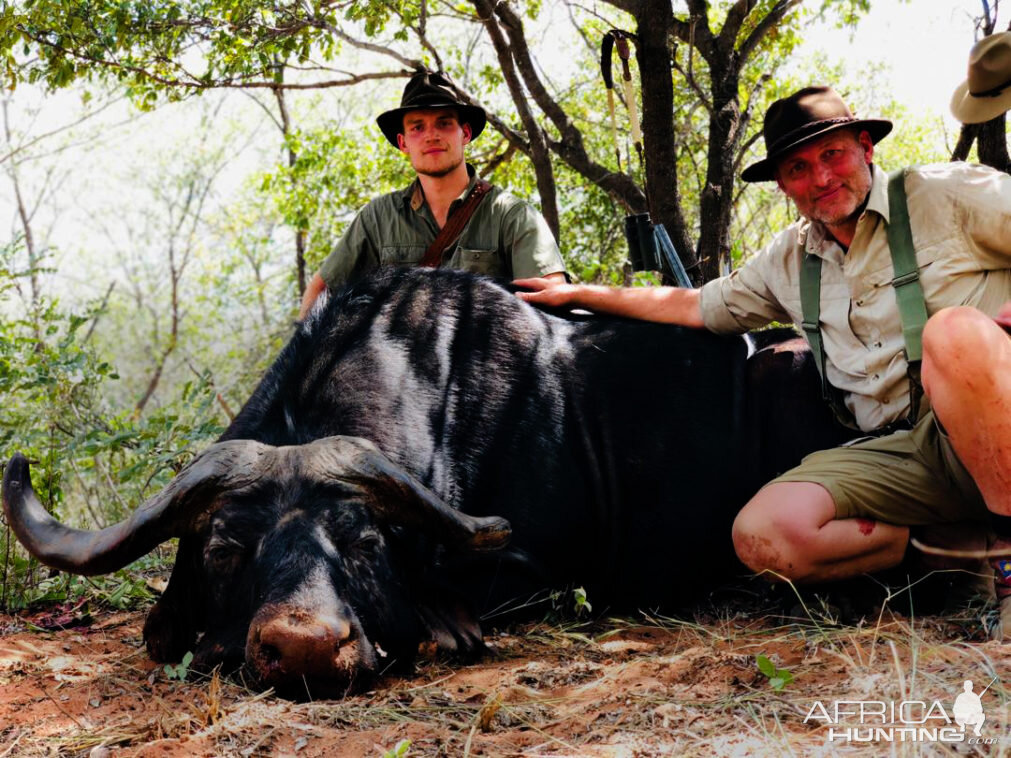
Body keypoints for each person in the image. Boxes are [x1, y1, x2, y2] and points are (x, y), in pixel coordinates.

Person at [514, 86, 1011, 621]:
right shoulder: (791, 258)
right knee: (764, 535)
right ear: (782, 184)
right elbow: (698, 305)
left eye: (832, 154)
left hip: (996, 422)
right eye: (798, 167)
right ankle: (961, 551)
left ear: (866, 147)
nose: (820, 178)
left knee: (954, 333)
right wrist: (581, 294)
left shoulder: (945, 194)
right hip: (908, 451)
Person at [300, 70, 567, 318]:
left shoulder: (512, 216)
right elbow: (323, 289)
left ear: (465, 133)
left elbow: (551, 303)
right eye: (417, 127)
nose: (432, 136)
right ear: (403, 142)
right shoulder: (378, 218)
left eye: (444, 123)